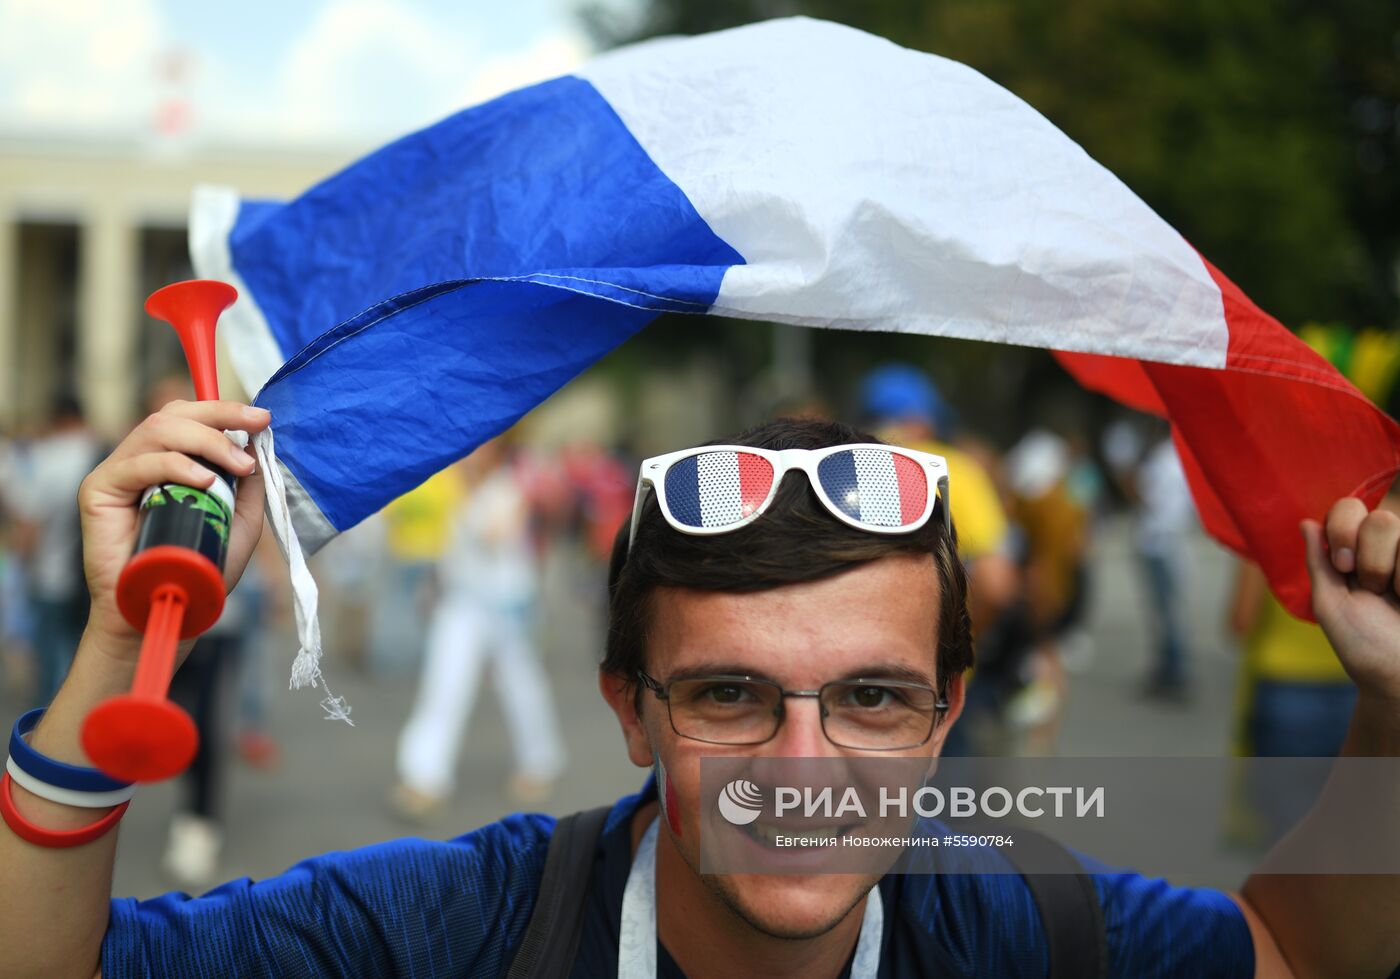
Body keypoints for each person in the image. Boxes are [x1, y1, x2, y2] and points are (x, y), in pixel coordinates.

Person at [3, 403, 1400, 978]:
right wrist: (125, 653)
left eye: (870, 696)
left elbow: (1306, 955)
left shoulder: (1020, 925)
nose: (802, 763)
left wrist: (1393, 701)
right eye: (732, 694)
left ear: (947, 710)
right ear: (630, 707)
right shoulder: (463, 927)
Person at [392, 437, 567, 817]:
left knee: (521, 686)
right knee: (444, 685)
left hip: (505, 607)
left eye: (479, 448)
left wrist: (466, 494)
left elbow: (496, 534)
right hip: (461, 604)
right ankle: (424, 777)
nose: (469, 454)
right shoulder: (453, 487)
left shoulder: (509, 487)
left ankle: (539, 762)